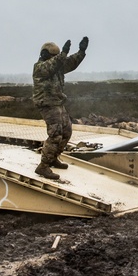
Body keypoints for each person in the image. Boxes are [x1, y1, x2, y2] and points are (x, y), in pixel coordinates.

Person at [32, 36, 89, 179]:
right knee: (55, 134)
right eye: (54, 56)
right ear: (45, 55)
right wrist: (63, 54)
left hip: (58, 103)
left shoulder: (56, 66)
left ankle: (53, 158)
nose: (57, 58)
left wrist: (81, 52)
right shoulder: (40, 67)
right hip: (47, 104)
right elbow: (53, 65)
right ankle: (43, 166)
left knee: (67, 132)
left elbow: (70, 63)